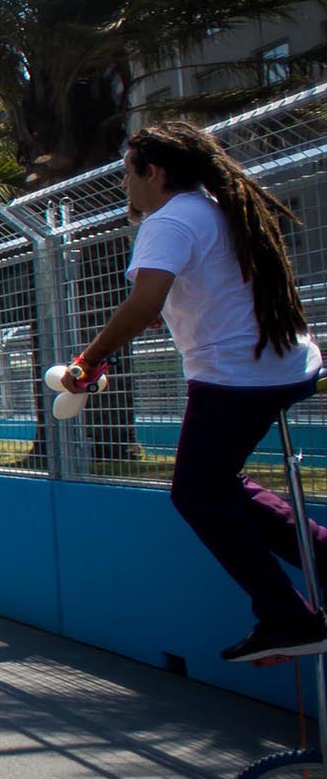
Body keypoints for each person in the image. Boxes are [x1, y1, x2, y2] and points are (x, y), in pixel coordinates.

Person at [69, 119, 326, 662]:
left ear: (153, 172)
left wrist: (89, 361)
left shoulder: (168, 220)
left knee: (194, 494)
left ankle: (288, 617)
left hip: (238, 378)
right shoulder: (217, 207)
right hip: (289, 364)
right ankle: (317, 563)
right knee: (215, 485)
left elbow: (143, 305)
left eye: (127, 174)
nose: (125, 186)